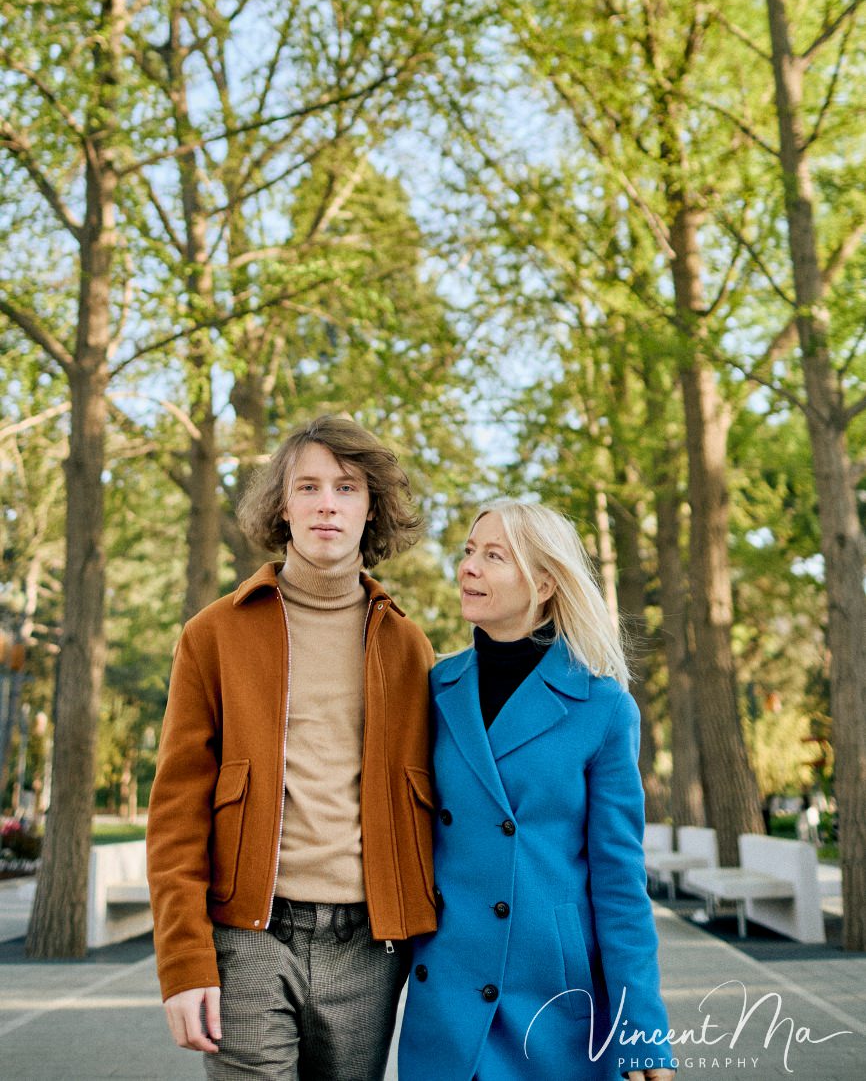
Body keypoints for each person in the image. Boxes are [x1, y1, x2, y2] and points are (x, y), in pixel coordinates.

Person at [146, 414, 437, 1079]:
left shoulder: (408, 648)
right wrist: (184, 962)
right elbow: (176, 816)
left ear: (371, 509)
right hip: (247, 936)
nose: (327, 503)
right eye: (308, 487)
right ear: (283, 506)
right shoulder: (213, 635)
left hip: (369, 946)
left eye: (347, 487)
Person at [398, 499, 677, 1081]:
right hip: (447, 992)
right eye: (469, 551)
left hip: (551, 1003)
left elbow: (620, 885)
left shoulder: (602, 707)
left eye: (494, 556)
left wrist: (642, 1033)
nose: (469, 567)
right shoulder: (433, 689)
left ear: (545, 583)